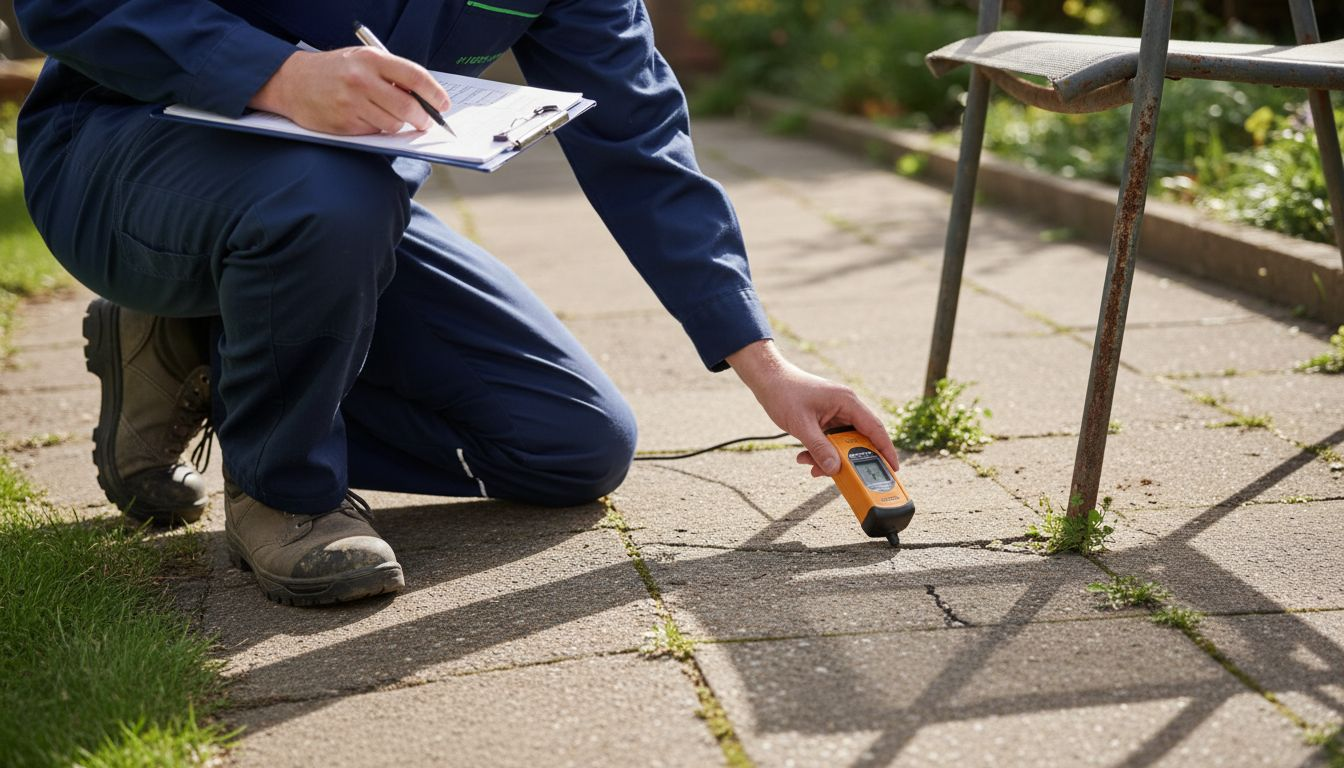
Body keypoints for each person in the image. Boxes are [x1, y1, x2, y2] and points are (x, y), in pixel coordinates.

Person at [14, 0, 901, 606]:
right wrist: (275, 74)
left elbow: (638, 138)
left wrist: (761, 359)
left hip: (335, 209)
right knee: (334, 202)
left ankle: (190, 348)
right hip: (126, 151)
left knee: (571, 446)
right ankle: (284, 491)